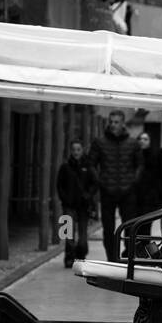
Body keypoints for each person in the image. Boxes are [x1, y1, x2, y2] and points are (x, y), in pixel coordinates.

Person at [88, 110, 139, 262]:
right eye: (111, 121)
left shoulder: (132, 143)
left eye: (116, 122)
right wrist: (100, 181)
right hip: (107, 191)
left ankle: (128, 256)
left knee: (130, 227)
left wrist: (133, 182)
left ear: (123, 123)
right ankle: (112, 259)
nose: (112, 125)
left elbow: (140, 164)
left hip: (127, 191)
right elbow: (91, 164)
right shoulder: (99, 142)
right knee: (108, 229)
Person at [56, 139, 97, 268]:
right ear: (70, 151)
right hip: (68, 205)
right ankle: (69, 257)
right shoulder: (65, 167)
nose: (76, 152)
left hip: (83, 206)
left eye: (78, 149)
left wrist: (88, 196)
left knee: (83, 236)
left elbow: (95, 183)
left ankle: (81, 255)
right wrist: (64, 199)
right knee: (68, 234)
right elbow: (59, 185)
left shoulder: (88, 166)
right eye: (73, 149)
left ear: (82, 150)